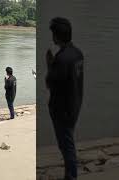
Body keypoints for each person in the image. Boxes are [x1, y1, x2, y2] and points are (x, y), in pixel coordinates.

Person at [46, 17, 84, 180]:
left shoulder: (61, 59)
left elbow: (50, 83)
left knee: (66, 145)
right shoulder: (77, 53)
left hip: (61, 109)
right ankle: (70, 174)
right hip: (75, 104)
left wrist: (49, 63)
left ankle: (71, 176)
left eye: (53, 34)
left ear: (56, 36)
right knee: (67, 141)